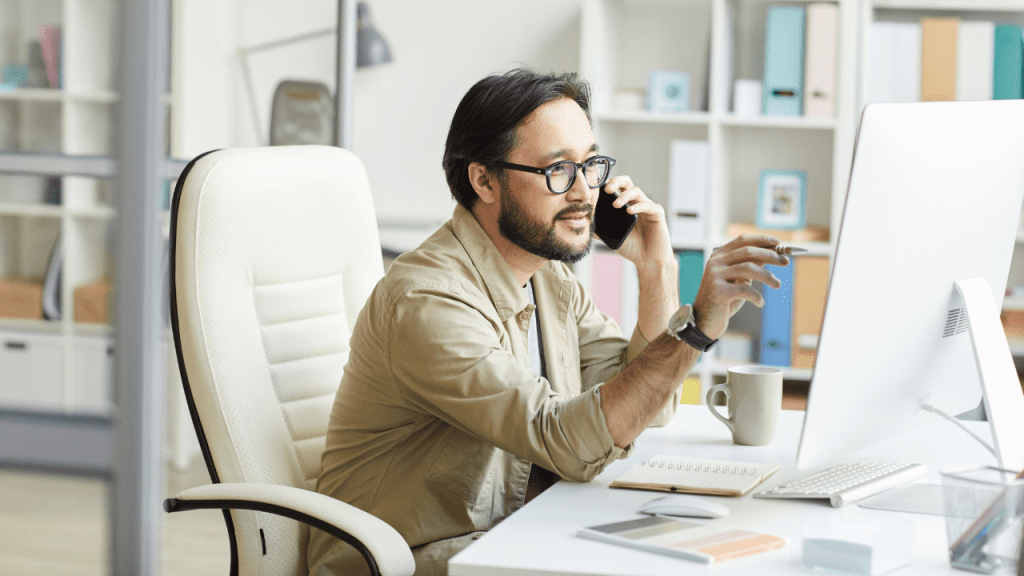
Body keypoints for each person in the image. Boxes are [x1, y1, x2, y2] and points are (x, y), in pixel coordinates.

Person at [307, 68, 788, 576]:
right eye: (559, 170)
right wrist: (696, 331)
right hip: (410, 560)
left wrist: (657, 268)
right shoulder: (428, 301)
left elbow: (641, 408)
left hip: (510, 534)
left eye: (591, 166)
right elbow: (567, 440)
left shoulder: (548, 278)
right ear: (484, 180)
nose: (584, 193)